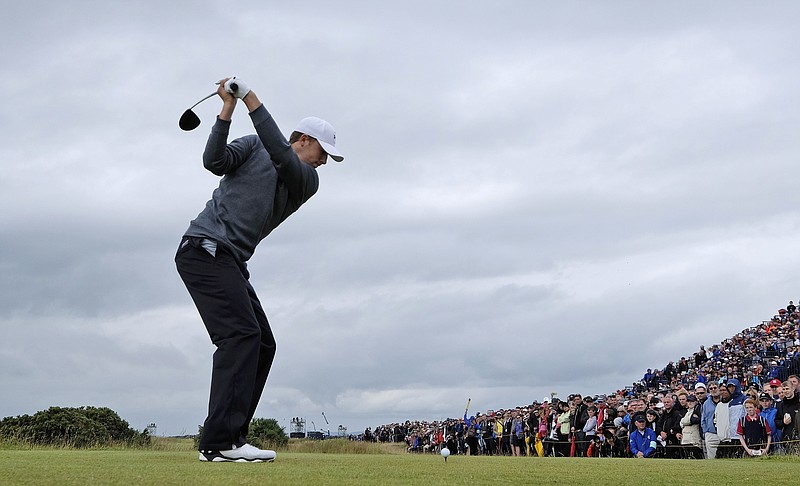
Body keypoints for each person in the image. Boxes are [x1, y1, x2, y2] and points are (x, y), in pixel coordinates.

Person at [176, 77, 344, 463]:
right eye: (322, 150)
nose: (324, 160)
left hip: (229, 259)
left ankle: (229, 437)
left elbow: (281, 156)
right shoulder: (253, 145)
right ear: (302, 137)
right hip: (203, 249)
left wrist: (251, 98)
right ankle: (219, 442)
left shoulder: (307, 180)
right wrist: (228, 110)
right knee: (241, 335)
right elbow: (213, 162)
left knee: (262, 343)